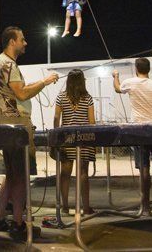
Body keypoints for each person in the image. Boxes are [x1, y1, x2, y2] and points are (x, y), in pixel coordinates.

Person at [0, 26, 59, 241]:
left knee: (11, 174)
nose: (25, 43)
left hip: (4, 123)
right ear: (12, 42)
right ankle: (18, 223)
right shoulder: (9, 64)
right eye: (22, 39)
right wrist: (44, 82)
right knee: (20, 176)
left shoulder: (0, 63)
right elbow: (20, 93)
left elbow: (15, 91)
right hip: (16, 125)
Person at [112, 57, 152, 216]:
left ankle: (146, 208)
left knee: (144, 170)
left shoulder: (130, 83)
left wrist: (115, 76)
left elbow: (117, 89)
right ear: (149, 69)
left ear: (136, 69)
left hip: (139, 130)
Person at [54, 70, 95, 215]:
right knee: (83, 172)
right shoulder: (88, 98)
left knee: (65, 172)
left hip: (66, 138)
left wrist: (57, 136)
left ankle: (65, 206)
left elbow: (56, 118)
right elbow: (92, 122)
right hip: (84, 138)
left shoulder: (61, 97)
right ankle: (86, 207)